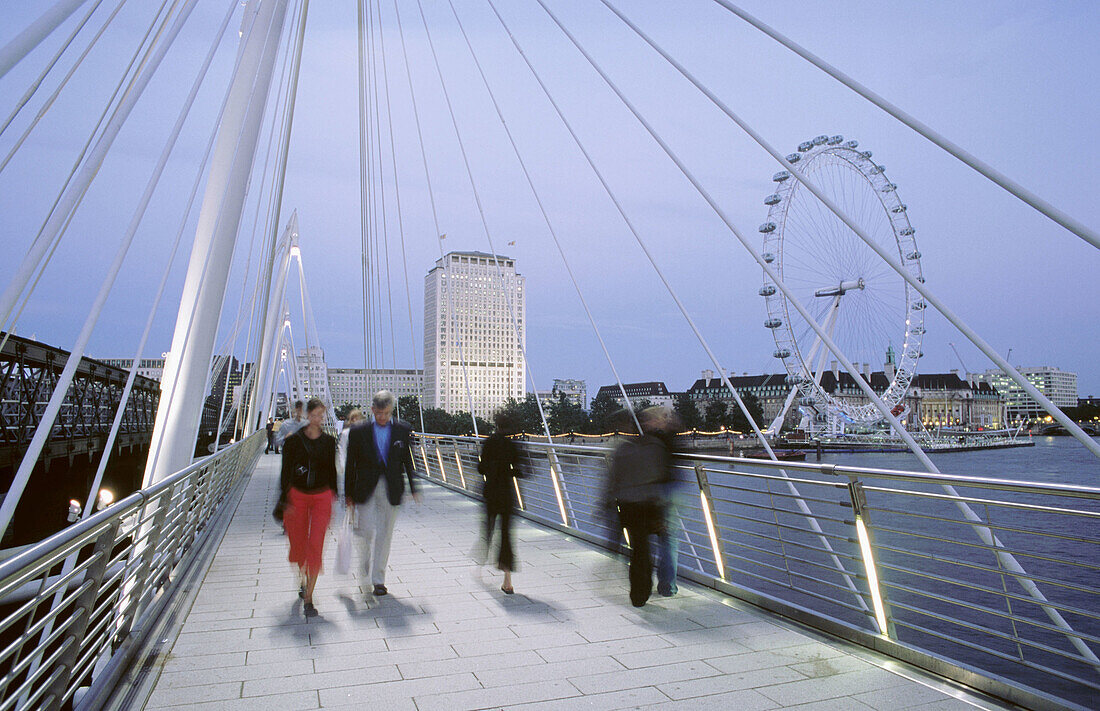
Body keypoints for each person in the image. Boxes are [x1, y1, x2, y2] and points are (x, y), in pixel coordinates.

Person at [345, 390, 420, 597]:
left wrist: (414, 488)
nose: (382, 417)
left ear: (391, 411)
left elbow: (408, 460)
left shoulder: (403, 429)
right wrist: (348, 495)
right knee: (366, 531)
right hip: (365, 487)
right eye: (378, 413)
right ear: (372, 410)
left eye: (386, 413)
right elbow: (350, 465)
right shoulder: (358, 431)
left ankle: (379, 579)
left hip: (392, 487)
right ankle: (367, 558)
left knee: (385, 535)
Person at [603, 407, 673, 607]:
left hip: (627, 507)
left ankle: (638, 593)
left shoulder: (622, 450)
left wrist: (606, 504)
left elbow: (612, 480)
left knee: (638, 548)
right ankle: (651, 585)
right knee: (647, 548)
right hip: (649, 505)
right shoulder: (655, 447)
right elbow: (661, 478)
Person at [279, 398, 338, 617]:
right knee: (299, 545)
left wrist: (336, 494)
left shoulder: (329, 442)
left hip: (322, 496)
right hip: (298, 496)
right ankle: (302, 579)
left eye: (322, 416)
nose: (318, 420)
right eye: (315, 415)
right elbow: (285, 473)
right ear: (307, 415)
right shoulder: (293, 442)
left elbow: (332, 472)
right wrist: (283, 499)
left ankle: (309, 598)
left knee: (316, 545)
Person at [476, 411, 524, 594]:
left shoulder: (488, 443)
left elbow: (480, 468)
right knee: (506, 535)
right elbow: (520, 470)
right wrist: (508, 471)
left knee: (488, 528)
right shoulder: (513, 445)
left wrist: (491, 469)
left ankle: (481, 565)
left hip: (491, 492)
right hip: (506, 494)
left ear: (496, 425)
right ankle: (507, 580)